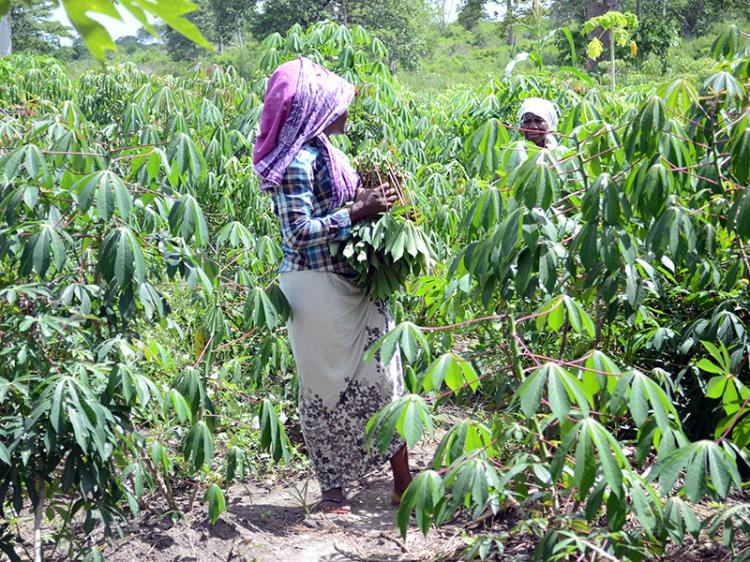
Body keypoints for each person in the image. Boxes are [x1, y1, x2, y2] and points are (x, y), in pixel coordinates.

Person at [252, 57, 412, 515]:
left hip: (353, 282)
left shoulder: (328, 150)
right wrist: (356, 212)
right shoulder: (297, 159)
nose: (346, 108)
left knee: (386, 377)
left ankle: (403, 481)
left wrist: (378, 205)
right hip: (315, 284)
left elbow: (348, 204)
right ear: (316, 107)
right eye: (339, 102)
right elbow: (297, 232)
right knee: (323, 386)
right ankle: (333, 490)